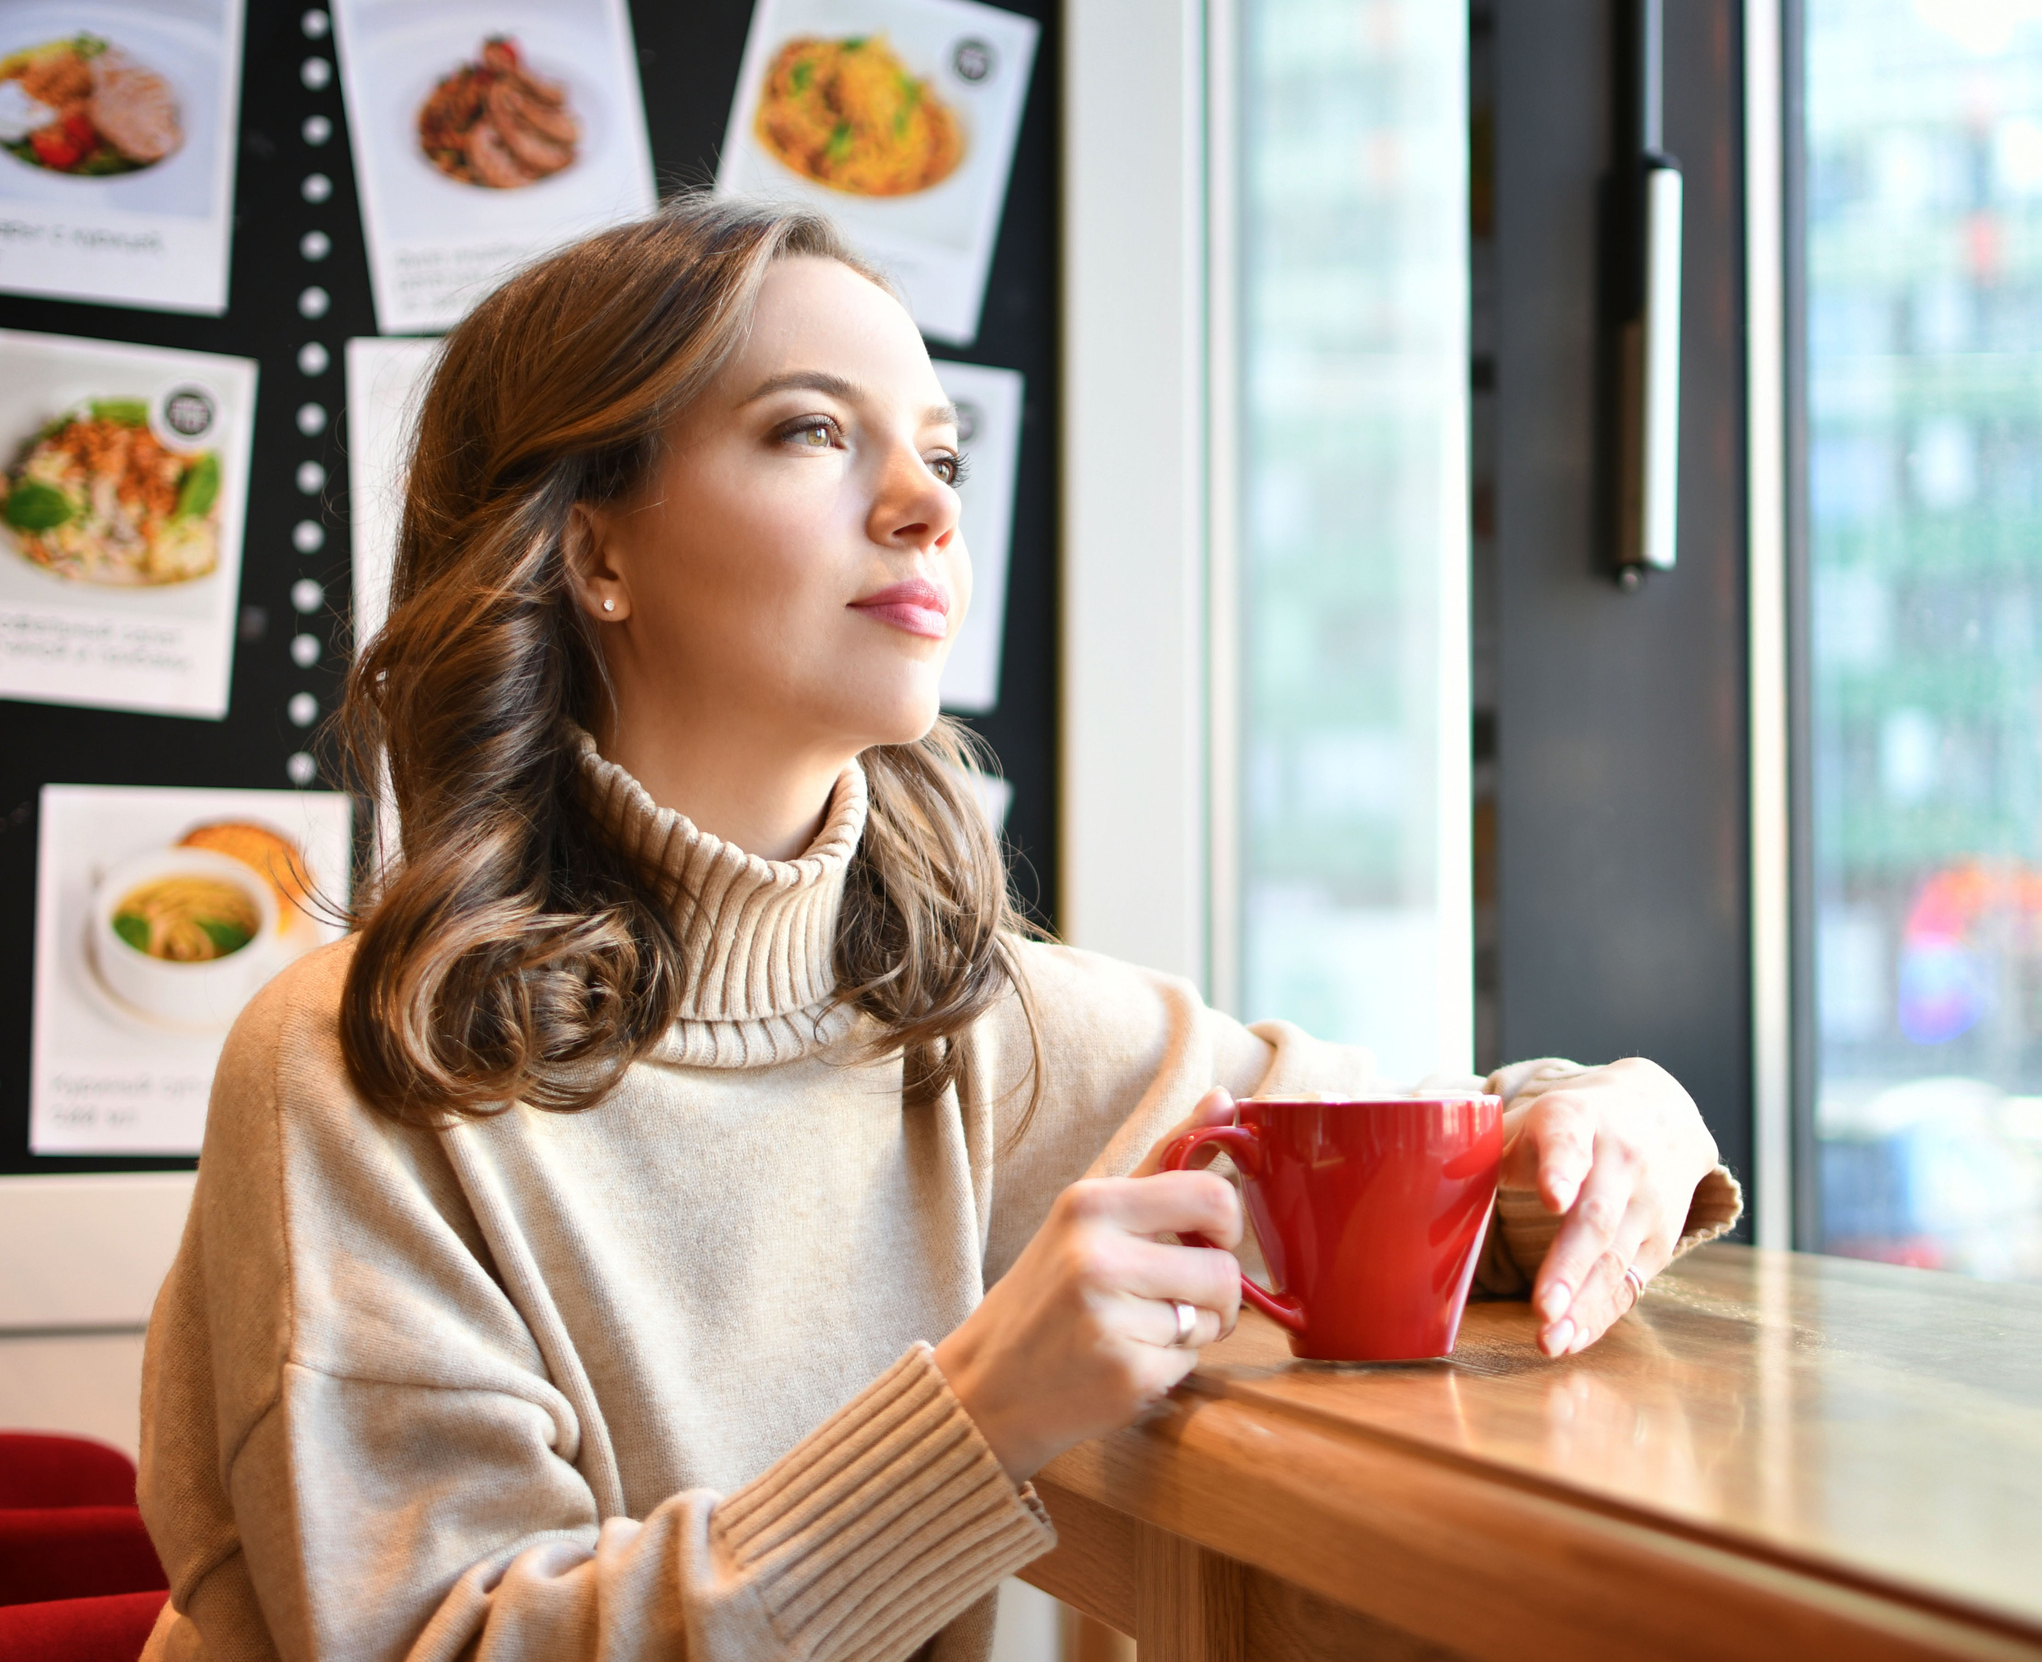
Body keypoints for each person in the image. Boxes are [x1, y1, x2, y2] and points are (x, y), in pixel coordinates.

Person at [135, 197, 1739, 1662]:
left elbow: (1411, 1165)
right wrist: (980, 1415)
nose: (923, 507)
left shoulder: (992, 1027)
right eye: (812, 432)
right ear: (593, 548)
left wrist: (1599, 1121)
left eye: (945, 456)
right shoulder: (362, 1066)